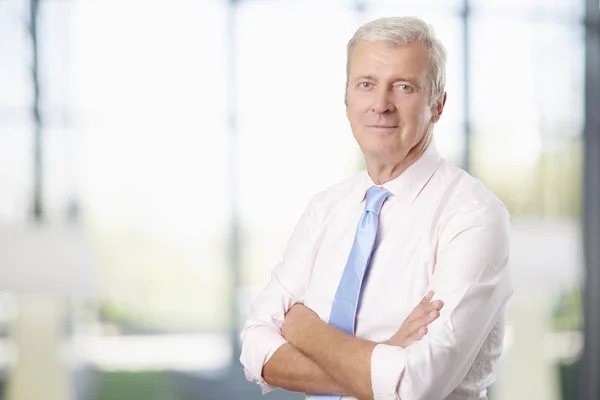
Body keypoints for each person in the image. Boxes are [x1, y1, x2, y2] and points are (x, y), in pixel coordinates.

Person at [240, 16, 512, 400]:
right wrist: (384, 355)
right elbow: (254, 349)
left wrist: (303, 328)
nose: (381, 105)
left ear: (438, 105)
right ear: (347, 100)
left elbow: (414, 384)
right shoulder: (325, 209)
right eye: (366, 85)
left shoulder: (473, 217)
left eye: (403, 87)